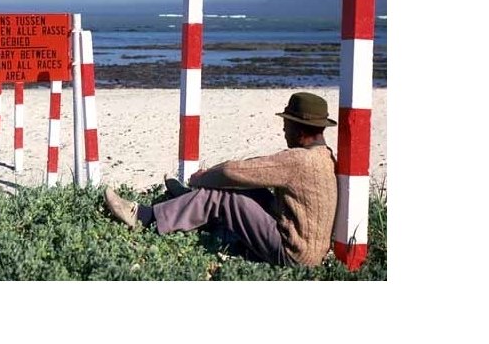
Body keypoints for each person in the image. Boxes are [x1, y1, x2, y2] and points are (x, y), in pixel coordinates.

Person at [104, 92, 338, 267]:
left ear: (299, 129)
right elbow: (257, 170)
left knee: (226, 196)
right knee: (250, 190)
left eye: (286, 125)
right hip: (308, 248)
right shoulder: (324, 156)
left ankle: (145, 217)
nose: (283, 131)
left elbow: (232, 172)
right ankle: (193, 200)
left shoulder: (299, 160)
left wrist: (202, 178)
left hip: (292, 254)